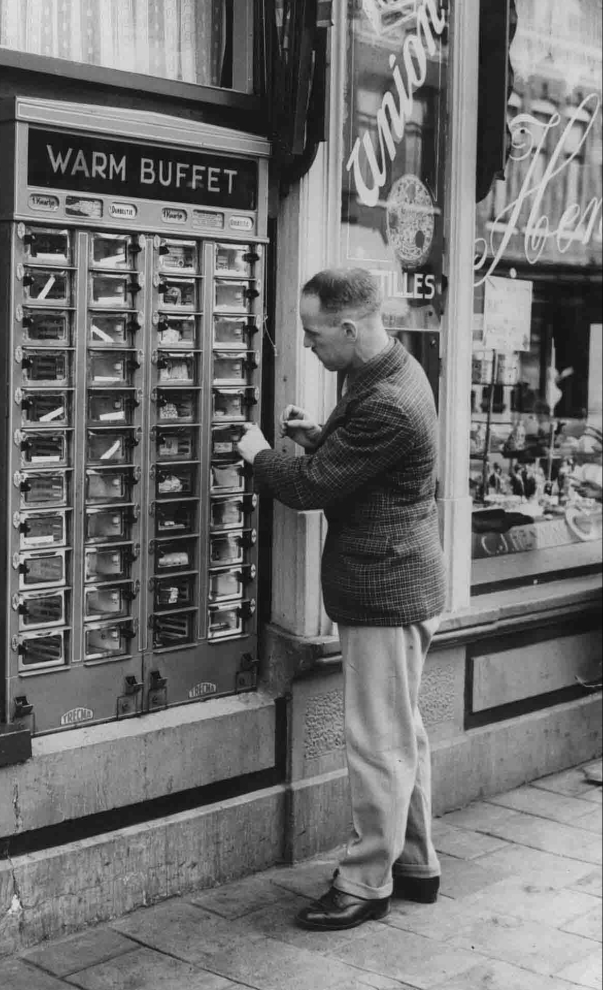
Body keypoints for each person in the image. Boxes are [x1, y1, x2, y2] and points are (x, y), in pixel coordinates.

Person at [237, 266, 447, 931]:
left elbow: (308, 489)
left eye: (313, 332)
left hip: (383, 588)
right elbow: (363, 466)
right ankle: (413, 862)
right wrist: (320, 440)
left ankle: (363, 884)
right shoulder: (392, 370)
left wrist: (260, 454)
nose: (307, 346)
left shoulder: (386, 399)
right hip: (401, 579)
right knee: (400, 733)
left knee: (376, 742)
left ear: (350, 327)